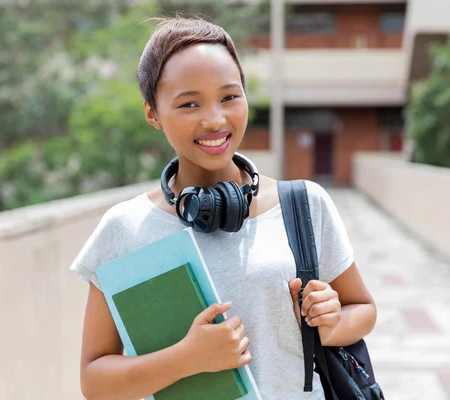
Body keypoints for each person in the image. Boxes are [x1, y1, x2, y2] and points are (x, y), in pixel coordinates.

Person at [69, 16, 377, 400]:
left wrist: (331, 323)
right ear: (152, 113)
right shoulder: (125, 228)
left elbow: (362, 309)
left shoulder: (304, 205)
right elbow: (94, 381)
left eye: (229, 97)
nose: (214, 119)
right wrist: (187, 358)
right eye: (189, 103)